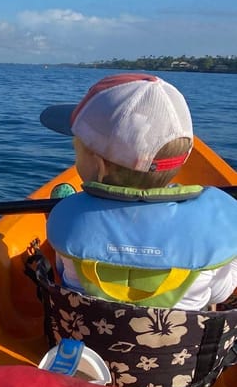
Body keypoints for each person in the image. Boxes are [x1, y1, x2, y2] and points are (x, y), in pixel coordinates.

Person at [39, 73, 237, 310]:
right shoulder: (216, 225)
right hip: (180, 344)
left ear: (98, 165)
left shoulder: (68, 218)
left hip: (84, 340)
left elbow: (62, 273)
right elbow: (220, 294)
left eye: (77, 150)